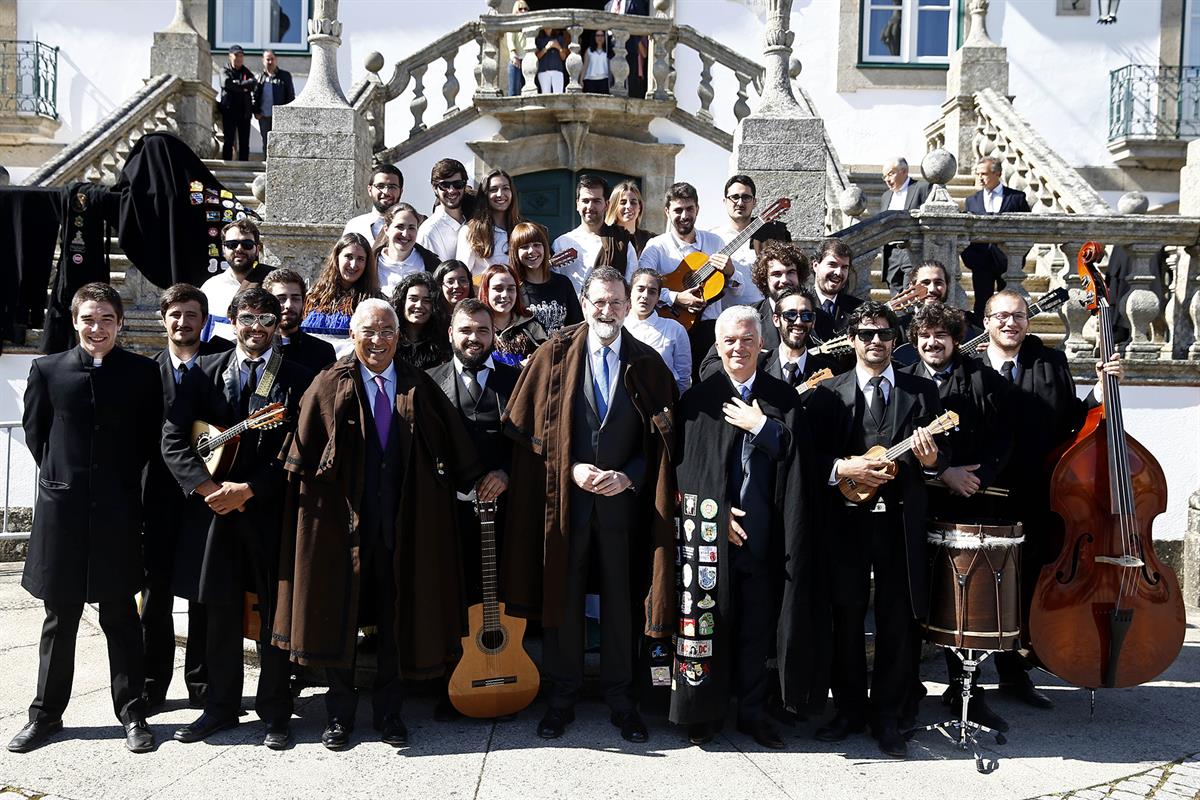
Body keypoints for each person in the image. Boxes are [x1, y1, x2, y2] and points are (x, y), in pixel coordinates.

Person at [273, 298, 483, 749]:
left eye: (387, 331)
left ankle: (390, 714)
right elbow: (301, 464)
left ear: (399, 336)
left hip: (403, 526)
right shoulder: (328, 384)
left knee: (395, 619)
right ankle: (340, 717)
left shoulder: (417, 385)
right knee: (340, 618)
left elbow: (454, 445)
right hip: (342, 527)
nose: (379, 340)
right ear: (353, 335)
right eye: (369, 331)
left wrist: (486, 476)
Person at [502, 266, 678, 744]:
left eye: (616, 302)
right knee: (564, 596)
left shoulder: (647, 362)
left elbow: (661, 443)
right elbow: (524, 431)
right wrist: (571, 467)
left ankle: (622, 698)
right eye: (599, 302)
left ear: (629, 305)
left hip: (623, 509)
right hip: (568, 506)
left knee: (623, 602)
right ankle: (562, 696)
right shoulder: (554, 354)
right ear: (584, 302)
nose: (607, 311)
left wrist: (630, 477)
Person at [8, 283, 162, 755]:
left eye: (107, 320)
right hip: (64, 515)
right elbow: (38, 439)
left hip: (117, 514)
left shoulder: (140, 373)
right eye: (89, 320)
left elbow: (147, 441)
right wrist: (65, 480)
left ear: (120, 323)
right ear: (75, 321)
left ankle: (132, 712)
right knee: (60, 619)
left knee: (120, 616)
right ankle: (46, 715)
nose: (97, 329)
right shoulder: (47, 370)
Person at [162, 287, 314, 750]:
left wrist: (251, 489)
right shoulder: (204, 371)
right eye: (247, 318)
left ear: (278, 324)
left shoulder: (298, 378)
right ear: (231, 320)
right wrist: (210, 490)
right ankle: (221, 707)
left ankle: (275, 712)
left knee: (275, 616)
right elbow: (173, 439)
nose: (256, 328)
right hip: (216, 516)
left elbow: (301, 449)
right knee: (220, 614)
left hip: (270, 513)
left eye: (266, 318)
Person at [670, 305, 817, 750]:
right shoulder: (698, 400)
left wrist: (764, 427)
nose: (739, 348)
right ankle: (704, 713)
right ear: (717, 345)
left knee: (757, 629)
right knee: (708, 626)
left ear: (762, 344)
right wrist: (716, 514)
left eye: (747, 340)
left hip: (764, 537)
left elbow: (798, 460)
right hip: (711, 539)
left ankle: (753, 713)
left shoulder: (782, 397)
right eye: (730, 340)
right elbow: (684, 470)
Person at [806, 300, 946, 760]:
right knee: (844, 617)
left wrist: (929, 462)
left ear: (895, 341)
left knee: (897, 621)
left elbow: (935, 464)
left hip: (900, 524)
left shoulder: (921, 393)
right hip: (845, 524)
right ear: (852, 341)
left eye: (884, 334)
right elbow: (811, 461)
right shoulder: (829, 393)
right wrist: (843, 470)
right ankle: (848, 710)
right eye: (866, 334)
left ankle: (888, 715)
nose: (875, 342)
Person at [979, 289, 1122, 710]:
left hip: (1034, 494)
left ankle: (1015, 672)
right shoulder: (967, 366)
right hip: (977, 498)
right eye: (1001, 316)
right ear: (986, 322)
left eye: (1018, 316)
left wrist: (1100, 391)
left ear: (1029, 321)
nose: (1010, 323)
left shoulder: (1050, 364)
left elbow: (1071, 423)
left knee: (1024, 584)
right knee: (975, 585)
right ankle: (960, 680)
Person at [897, 301, 1015, 733]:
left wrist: (976, 480)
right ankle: (905, 689)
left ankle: (967, 689)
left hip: (966, 502)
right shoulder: (902, 379)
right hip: (914, 505)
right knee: (912, 599)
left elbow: (1004, 439)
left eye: (940, 336)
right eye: (925, 335)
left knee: (962, 601)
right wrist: (941, 471)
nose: (932, 343)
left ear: (955, 339)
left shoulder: (983, 380)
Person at [140, 285, 233, 716]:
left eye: (191, 314)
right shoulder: (145, 372)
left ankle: (201, 683)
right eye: (175, 314)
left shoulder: (222, 366)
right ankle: (152, 684)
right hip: (156, 500)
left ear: (204, 319)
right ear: (164, 320)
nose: (183, 322)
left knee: (201, 594)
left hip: (206, 499)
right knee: (155, 595)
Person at [428, 298, 521, 609]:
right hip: (448, 510)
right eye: (466, 330)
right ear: (451, 332)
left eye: (483, 330)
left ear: (494, 334)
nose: (474, 338)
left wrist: (508, 473)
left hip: (506, 511)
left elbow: (533, 441)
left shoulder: (517, 380)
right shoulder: (428, 383)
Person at [638, 182, 731, 371]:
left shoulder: (715, 242)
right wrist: (677, 297)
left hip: (708, 328)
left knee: (707, 380)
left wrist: (731, 272)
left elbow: (739, 288)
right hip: (668, 324)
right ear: (667, 212)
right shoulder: (656, 247)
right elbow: (640, 284)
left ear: (697, 209)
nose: (684, 216)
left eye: (690, 209)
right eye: (678, 210)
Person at [699, 286, 836, 389]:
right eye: (790, 315)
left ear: (813, 321)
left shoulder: (832, 373)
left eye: (806, 316)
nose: (798, 322)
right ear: (776, 319)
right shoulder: (752, 365)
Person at [962, 157, 1032, 321]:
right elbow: (966, 231)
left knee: (1009, 304)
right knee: (982, 304)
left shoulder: (1017, 198)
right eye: (978, 174)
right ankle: (981, 338)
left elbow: (1028, 229)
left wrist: (1020, 254)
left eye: (984, 174)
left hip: (1008, 260)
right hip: (980, 261)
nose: (980, 178)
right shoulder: (971, 200)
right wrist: (970, 257)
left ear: (998, 173)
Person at [712, 175, 793, 308]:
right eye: (734, 197)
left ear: (754, 202)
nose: (740, 202)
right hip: (723, 318)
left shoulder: (770, 236)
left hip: (762, 315)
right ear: (724, 201)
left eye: (746, 197)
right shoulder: (713, 237)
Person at [553, 174, 638, 295]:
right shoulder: (562, 243)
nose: (590, 206)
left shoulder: (621, 242)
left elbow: (631, 284)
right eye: (585, 201)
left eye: (596, 201)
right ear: (577, 204)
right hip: (572, 312)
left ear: (606, 205)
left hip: (610, 311)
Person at [301, 232, 379, 356]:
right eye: (349, 256)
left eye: (360, 259)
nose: (353, 264)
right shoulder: (313, 295)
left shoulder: (373, 301)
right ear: (337, 257)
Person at [199, 218, 272, 342]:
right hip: (220, 359)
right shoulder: (210, 287)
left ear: (257, 249)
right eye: (232, 244)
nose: (239, 249)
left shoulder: (272, 283)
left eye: (247, 244)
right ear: (223, 249)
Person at [623, 268, 690, 394]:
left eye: (652, 292)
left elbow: (683, 378)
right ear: (630, 292)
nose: (645, 296)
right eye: (640, 289)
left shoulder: (674, 329)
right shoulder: (619, 327)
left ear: (658, 297)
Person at [510, 221, 583, 334]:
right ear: (515, 252)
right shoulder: (513, 288)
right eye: (524, 247)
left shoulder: (563, 283)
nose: (531, 251)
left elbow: (577, 325)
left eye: (537, 245)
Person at [262, 268, 337, 374]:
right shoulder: (256, 349)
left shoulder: (323, 351)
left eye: (295, 298)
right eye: (281, 299)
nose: (289, 305)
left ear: (303, 302)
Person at [457, 168, 524, 278]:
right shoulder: (470, 231)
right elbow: (462, 275)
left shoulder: (521, 228)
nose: (500, 194)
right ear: (485, 194)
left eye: (505, 188)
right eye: (493, 189)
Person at [478, 263, 547, 367]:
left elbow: (548, 359)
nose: (505, 295)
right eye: (498, 288)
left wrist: (533, 363)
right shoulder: (477, 327)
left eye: (510, 289)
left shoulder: (530, 325)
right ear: (486, 291)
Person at [878, 157, 930, 293]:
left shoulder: (922, 188)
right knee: (894, 292)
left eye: (890, 174)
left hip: (912, 250)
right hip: (891, 252)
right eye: (884, 177)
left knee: (911, 292)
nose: (887, 180)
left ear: (904, 171)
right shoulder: (885, 196)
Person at [749, 240, 807, 351]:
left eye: (790, 272)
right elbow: (712, 363)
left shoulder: (819, 318)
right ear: (764, 279)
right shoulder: (748, 317)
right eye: (776, 274)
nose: (784, 280)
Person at [374, 202, 442, 297]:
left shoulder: (432, 264)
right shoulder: (371, 264)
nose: (405, 234)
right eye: (400, 227)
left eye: (411, 228)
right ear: (386, 229)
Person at [392, 271, 451, 370]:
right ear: (403, 301)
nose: (419, 305)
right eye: (413, 299)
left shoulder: (443, 342)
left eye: (426, 301)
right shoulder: (389, 338)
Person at [416, 159, 472, 261]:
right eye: (444, 185)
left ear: (464, 185)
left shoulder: (473, 220)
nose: (451, 190)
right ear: (434, 188)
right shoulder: (428, 232)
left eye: (457, 184)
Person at [810, 237, 862, 342]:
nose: (838, 272)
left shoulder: (858, 308)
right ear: (816, 265)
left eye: (844, 267)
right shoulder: (800, 304)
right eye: (832, 265)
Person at [343, 164, 404, 245]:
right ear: (369, 190)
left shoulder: (415, 226)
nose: (386, 192)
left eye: (392, 187)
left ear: (401, 191)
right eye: (380, 186)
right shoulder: (355, 225)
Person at [604, 0, 649, 98]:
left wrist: (636, 40)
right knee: (613, 85)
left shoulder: (635, 2)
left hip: (630, 48)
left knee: (629, 85)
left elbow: (643, 23)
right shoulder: (608, 5)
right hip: (612, 49)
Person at [253, 49, 295, 153]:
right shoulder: (259, 78)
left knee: (280, 143)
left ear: (276, 60)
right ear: (263, 60)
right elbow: (254, 97)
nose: (270, 62)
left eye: (272, 59)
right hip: (264, 116)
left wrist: (287, 113)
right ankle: (266, 166)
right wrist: (256, 112)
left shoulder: (285, 76)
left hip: (280, 116)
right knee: (266, 144)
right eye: (268, 59)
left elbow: (290, 96)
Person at [219, 45, 256, 161]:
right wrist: (243, 86)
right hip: (229, 111)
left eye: (241, 55)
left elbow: (253, 83)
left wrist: (237, 85)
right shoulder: (224, 70)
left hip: (244, 112)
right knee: (228, 140)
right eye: (236, 55)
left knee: (244, 142)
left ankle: (245, 165)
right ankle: (227, 164)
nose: (239, 58)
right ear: (230, 56)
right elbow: (226, 82)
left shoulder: (246, 71)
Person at [605, 179, 655, 256]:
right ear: (613, 207)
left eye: (633, 202)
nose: (628, 206)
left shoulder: (651, 240)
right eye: (623, 202)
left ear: (640, 208)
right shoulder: (606, 238)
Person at [507, 0, 531, 95]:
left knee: (527, 90)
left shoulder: (529, 25)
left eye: (525, 9)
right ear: (515, 11)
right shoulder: (512, 24)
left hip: (527, 60)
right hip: (516, 60)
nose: (523, 11)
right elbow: (510, 39)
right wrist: (513, 55)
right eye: (520, 9)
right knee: (514, 90)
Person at [534, 27, 568, 94]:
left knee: (559, 93)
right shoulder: (539, 39)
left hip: (557, 70)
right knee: (545, 94)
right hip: (544, 70)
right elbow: (537, 56)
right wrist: (546, 48)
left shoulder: (560, 38)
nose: (548, 28)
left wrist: (558, 47)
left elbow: (564, 57)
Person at [581, 30, 611, 94]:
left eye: (602, 35)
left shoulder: (608, 51)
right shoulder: (589, 50)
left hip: (604, 81)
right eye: (597, 35)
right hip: (590, 81)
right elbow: (585, 66)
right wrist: (581, 80)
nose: (600, 38)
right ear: (594, 37)